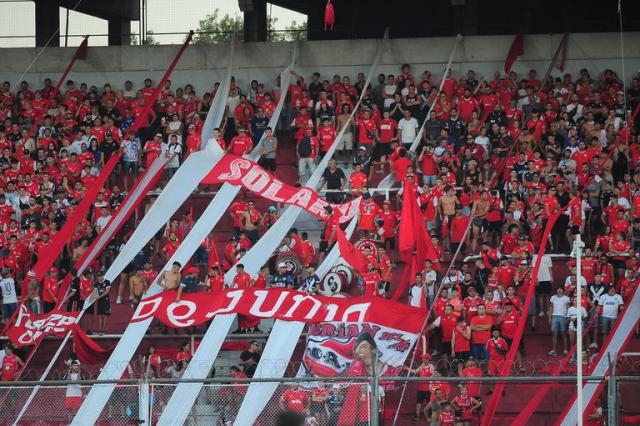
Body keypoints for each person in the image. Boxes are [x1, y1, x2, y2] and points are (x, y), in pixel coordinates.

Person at [402, 353, 435, 421]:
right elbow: (415, 371)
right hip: (421, 387)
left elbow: (434, 374)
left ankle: (431, 415)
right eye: (422, 358)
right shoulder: (422, 365)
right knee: (419, 401)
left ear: (427, 359)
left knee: (429, 402)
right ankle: (417, 415)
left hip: (428, 388)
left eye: (423, 358)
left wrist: (432, 375)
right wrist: (407, 368)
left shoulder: (431, 366)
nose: (422, 359)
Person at [548, 287, 570, 355]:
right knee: (554, 334)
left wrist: (567, 317)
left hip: (563, 317)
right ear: (556, 290)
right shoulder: (553, 297)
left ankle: (565, 349)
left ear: (563, 290)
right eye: (558, 289)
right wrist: (549, 318)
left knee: (564, 333)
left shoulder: (566, 298)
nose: (559, 290)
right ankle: (554, 350)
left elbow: (568, 308)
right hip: (554, 317)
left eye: (561, 289)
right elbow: (551, 307)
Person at [93, 268, 112, 336]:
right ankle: (100, 329)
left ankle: (102, 330)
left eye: (100, 276)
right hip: (99, 301)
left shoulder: (107, 282)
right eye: (98, 276)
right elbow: (94, 292)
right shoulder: (96, 284)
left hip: (105, 300)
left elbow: (107, 292)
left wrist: (98, 297)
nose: (99, 278)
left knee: (104, 315)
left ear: (103, 276)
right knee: (100, 316)